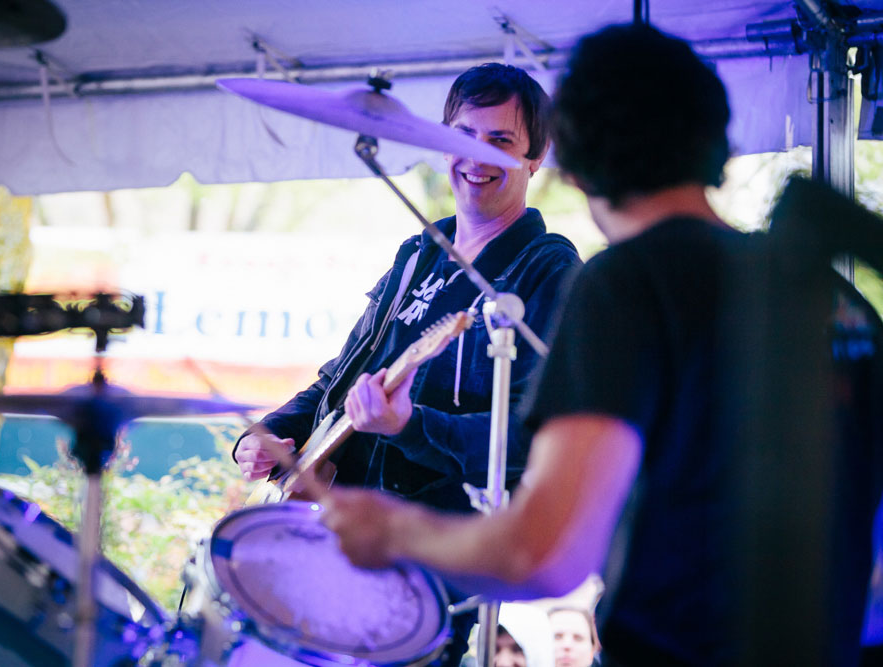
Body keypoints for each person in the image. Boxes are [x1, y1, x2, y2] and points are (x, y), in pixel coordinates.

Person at [321, 23, 881, 666]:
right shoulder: (837, 300)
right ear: (716, 142)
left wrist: (392, 529)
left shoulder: (625, 283)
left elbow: (543, 556)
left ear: (571, 158)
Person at [233, 62, 581, 665]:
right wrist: (274, 434)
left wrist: (411, 427)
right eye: (462, 136)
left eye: (501, 141)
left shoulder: (547, 268)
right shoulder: (419, 251)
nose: (476, 156)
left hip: (433, 561)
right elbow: (340, 381)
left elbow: (531, 440)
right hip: (334, 529)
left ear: (536, 157)